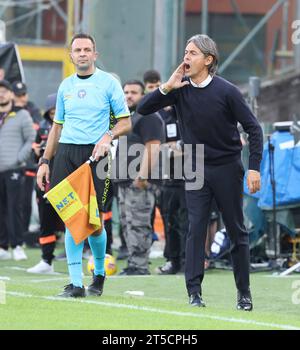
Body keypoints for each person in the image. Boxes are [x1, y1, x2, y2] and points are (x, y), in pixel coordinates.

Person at [137, 34, 263, 311]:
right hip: (194, 166)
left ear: (209, 60)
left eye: (193, 53)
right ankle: (194, 292)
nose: (186, 57)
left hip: (228, 166)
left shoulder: (228, 91)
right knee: (195, 229)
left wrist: (254, 168)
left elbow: (254, 129)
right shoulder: (179, 89)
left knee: (236, 230)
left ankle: (244, 293)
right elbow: (142, 109)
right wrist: (167, 87)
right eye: (185, 52)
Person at [36, 33, 131, 297]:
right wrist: (45, 160)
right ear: (71, 55)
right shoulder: (65, 86)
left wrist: (107, 136)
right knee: (70, 217)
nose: (82, 54)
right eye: (77, 50)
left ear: (95, 54)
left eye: (87, 49)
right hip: (66, 154)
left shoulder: (108, 83)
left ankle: (98, 275)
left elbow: (126, 122)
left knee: (95, 222)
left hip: (96, 157)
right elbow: (57, 127)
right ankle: (76, 284)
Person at [115, 79, 164, 275]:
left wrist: (142, 177)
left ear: (143, 96)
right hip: (125, 181)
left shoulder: (148, 116)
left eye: (134, 92)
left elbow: (152, 147)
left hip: (139, 182)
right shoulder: (129, 118)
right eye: (126, 92)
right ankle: (133, 263)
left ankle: (140, 265)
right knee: (128, 224)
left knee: (139, 224)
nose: (128, 95)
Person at [27, 93, 64, 274]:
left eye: (57, 112)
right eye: (51, 113)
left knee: (71, 221)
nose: (54, 115)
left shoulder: (72, 127)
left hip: (66, 180)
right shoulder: (42, 128)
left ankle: (77, 261)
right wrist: (36, 151)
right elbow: (34, 153)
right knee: (45, 221)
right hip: (44, 181)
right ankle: (46, 260)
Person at [0, 79, 36, 261]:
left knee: (14, 208)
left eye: (4, 91)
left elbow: (31, 138)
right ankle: (3, 245)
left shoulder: (22, 114)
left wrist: (19, 159)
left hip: (14, 168)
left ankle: (17, 245)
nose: (1, 94)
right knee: (1, 209)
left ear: (10, 94)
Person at [12, 81, 42, 236]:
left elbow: (36, 128)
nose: (21, 98)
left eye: (23, 94)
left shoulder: (32, 108)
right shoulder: (8, 109)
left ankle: (22, 233)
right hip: (10, 162)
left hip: (28, 163)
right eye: (18, 95)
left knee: (25, 201)